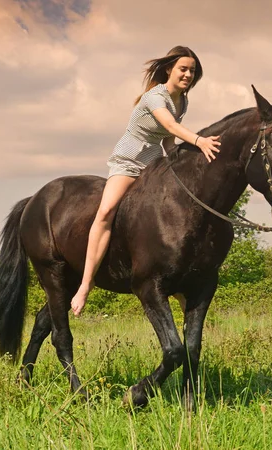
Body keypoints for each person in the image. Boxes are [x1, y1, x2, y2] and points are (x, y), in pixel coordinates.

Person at [71, 46, 221, 316]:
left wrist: (177, 161)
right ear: (169, 70)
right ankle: (85, 283)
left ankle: (175, 283)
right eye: (183, 69)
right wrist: (199, 141)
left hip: (153, 163)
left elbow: (167, 138)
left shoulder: (182, 101)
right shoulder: (156, 96)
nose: (188, 74)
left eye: (192, 71)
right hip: (129, 160)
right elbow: (171, 125)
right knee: (105, 212)